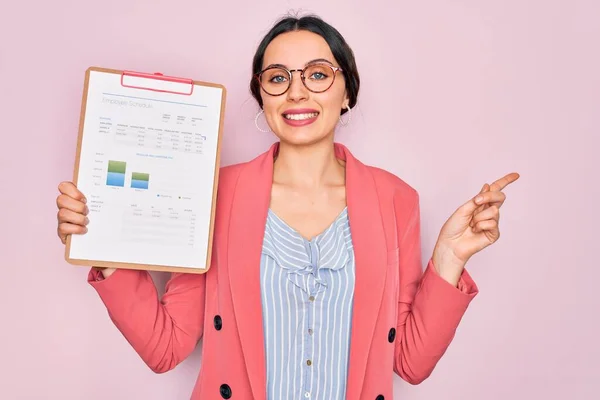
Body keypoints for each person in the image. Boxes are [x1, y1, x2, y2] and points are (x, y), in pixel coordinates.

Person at [55, 14, 519, 400]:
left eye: (318, 74)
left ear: (348, 92)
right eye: (278, 78)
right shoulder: (216, 195)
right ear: (262, 97)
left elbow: (410, 364)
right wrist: (106, 249)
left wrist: (449, 260)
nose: (297, 92)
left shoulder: (395, 199)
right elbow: (166, 347)